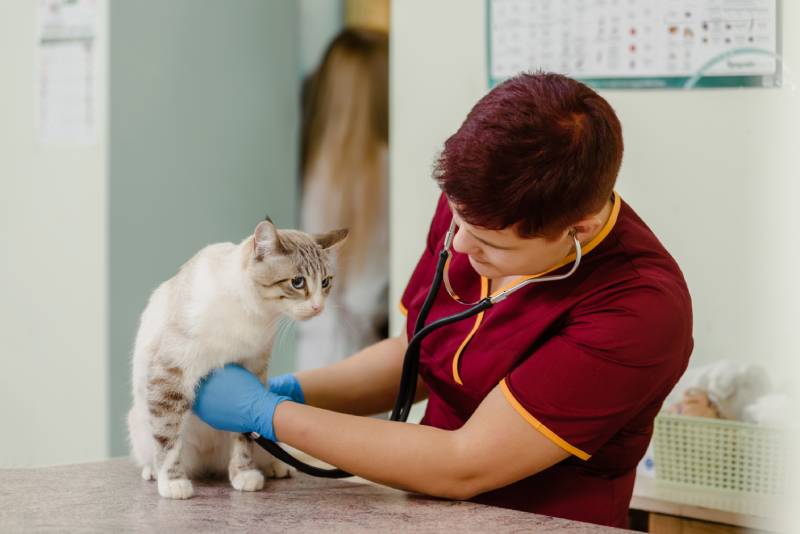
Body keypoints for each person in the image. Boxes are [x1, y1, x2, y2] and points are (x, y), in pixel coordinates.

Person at [193, 72, 693, 528]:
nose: (459, 245)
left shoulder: (639, 308)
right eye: (456, 219)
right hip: (430, 517)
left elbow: (463, 464)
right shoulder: (477, 206)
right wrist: (287, 389)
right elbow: (418, 354)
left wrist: (268, 413)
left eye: (490, 244)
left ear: (577, 230)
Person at [296, 28, 390, 370]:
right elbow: (365, 296)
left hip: (308, 350)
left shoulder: (308, 165)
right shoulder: (388, 169)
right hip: (363, 355)